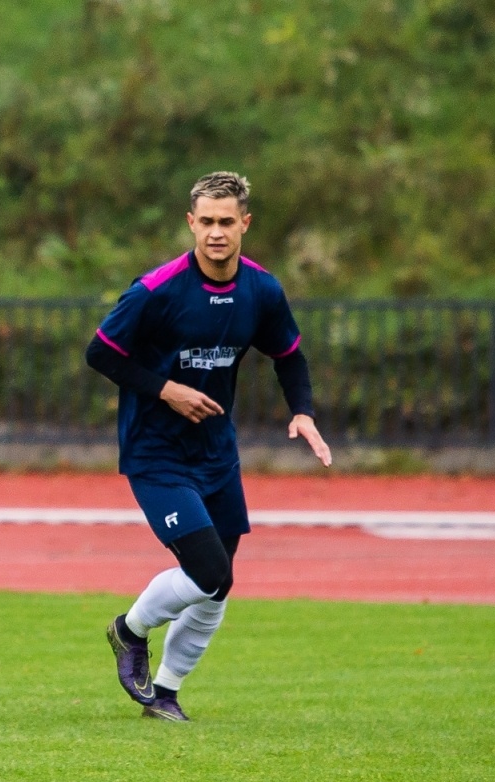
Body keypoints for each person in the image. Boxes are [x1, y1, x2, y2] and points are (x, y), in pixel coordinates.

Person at [85, 171, 331, 722]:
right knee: (207, 570)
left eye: (227, 222)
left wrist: (303, 412)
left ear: (245, 224)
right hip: (156, 452)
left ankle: (166, 693)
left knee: (218, 586)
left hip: (217, 453)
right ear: (191, 223)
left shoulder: (261, 289)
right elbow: (99, 354)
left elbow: (288, 354)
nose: (216, 233)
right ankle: (129, 630)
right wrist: (166, 389)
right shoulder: (156, 290)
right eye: (207, 222)